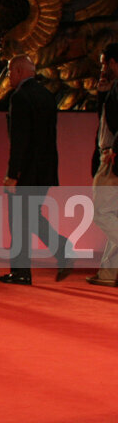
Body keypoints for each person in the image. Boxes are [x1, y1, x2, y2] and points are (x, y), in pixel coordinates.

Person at [0, 54, 71, 285]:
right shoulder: (46, 95)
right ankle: (60, 249)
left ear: (19, 71)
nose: (8, 77)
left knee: (19, 220)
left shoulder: (20, 97)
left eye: (9, 72)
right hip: (46, 169)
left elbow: (19, 141)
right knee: (30, 218)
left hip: (27, 172)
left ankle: (22, 271)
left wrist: (12, 174)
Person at [88, 44, 118, 286]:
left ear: (113, 62)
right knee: (112, 213)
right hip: (109, 154)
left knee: (101, 213)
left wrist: (115, 149)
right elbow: (107, 120)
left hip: (112, 157)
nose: (102, 68)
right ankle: (109, 273)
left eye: (104, 63)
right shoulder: (113, 88)